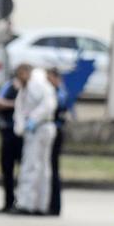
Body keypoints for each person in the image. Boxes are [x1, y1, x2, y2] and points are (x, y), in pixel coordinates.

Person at [13, 67, 58, 215]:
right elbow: (19, 109)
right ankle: (39, 204)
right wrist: (20, 126)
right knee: (40, 168)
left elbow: (48, 105)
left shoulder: (38, 85)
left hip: (40, 128)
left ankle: (27, 204)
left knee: (32, 167)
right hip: (36, 129)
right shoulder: (27, 87)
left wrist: (32, 120)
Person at [0, 64, 32, 213]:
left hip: (25, 134)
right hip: (9, 131)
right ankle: (8, 201)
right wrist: (15, 105)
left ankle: (22, 201)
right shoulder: (10, 86)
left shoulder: (32, 88)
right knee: (7, 168)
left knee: (24, 170)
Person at [48, 69, 71, 216]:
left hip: (55, 133)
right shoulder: (56, 92)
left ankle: (55, 206)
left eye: (49, 78)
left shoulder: (59, 94)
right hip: (52, 132)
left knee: (53, 169)